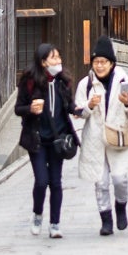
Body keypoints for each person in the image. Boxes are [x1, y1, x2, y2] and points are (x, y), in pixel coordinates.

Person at [15, 42, 80, 238]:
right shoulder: (29, 81)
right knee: (41, 181)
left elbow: (69, 106)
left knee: (56, 182)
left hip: (57, 139)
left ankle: (55, 224)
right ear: (43, 62)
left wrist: (81, 109)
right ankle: (37, 214)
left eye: (59, 58)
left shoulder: (63, 81)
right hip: (37, 139)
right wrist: (30, 110)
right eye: (54, 58)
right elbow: (18, 108)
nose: (58, 61)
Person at [74, 36, 128, 235]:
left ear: (112, 63)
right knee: (100, 182)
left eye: (104, 62)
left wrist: (127, 102)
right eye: (96, 62)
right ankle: (106, 219)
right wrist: (88, 106)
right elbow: (78, 111)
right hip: (94, 139)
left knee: (119, 179)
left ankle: (121, 207)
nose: (99, 66)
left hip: (117, 137)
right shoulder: (86, 84)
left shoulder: (123, 80)